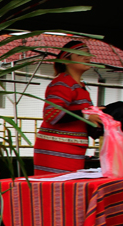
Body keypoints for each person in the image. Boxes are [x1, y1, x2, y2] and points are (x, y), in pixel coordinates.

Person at [32, 40, 97, 176]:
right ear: (66, 61)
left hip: (72, 150)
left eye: (88, 54)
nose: (87, 57)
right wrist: (86, 115)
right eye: (80, 54)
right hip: (56, 150)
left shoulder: (81, 87)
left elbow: (80, 118)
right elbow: (52, 115)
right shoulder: (62, 83)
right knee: (58, 191)